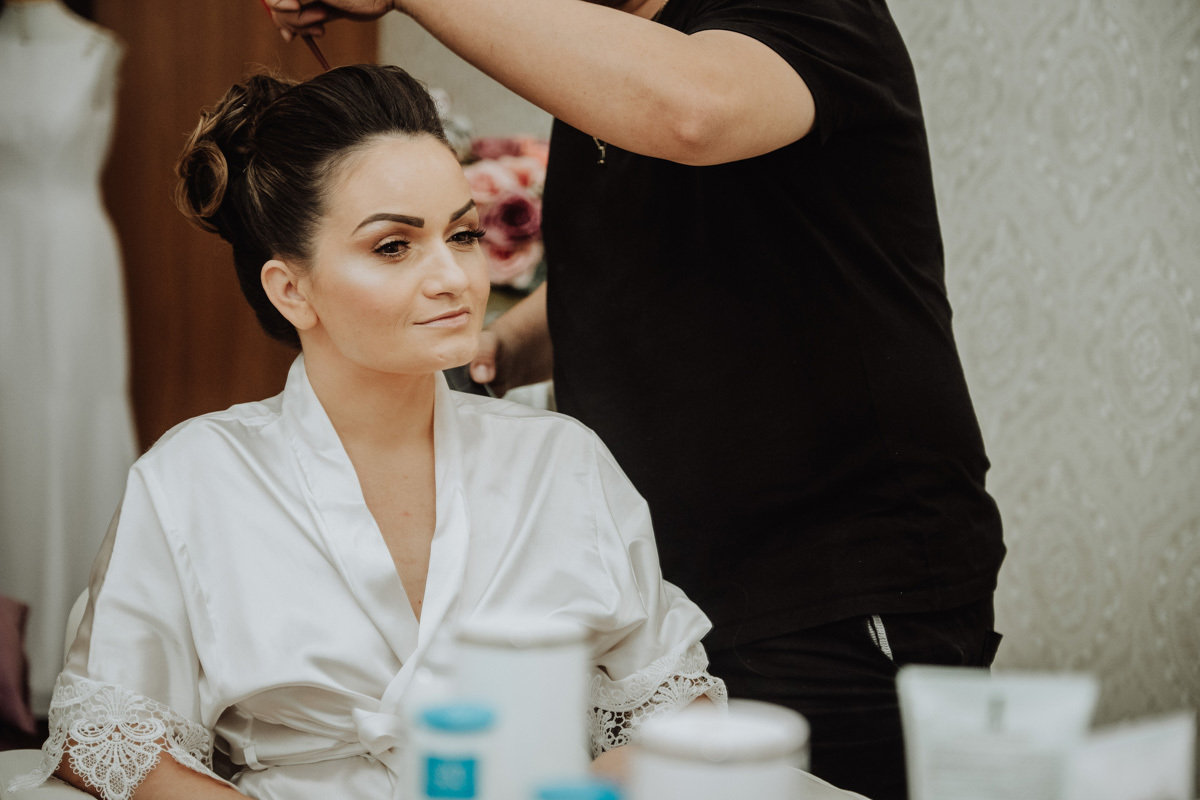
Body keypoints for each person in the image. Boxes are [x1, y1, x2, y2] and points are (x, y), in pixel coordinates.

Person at [267, 2, 1007, 799]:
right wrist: (506, 344)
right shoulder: (613, 66)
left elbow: (695, 111)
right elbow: (635, 262)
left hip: (832, 586)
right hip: (672, 603)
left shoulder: (797, 16)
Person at [7, 64, 726, 800]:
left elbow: (675, 704)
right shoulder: (194, 477)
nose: (453, 277)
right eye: (394, 246)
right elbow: (111, 739)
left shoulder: (561, 461)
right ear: (292, 289)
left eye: (464, 234)